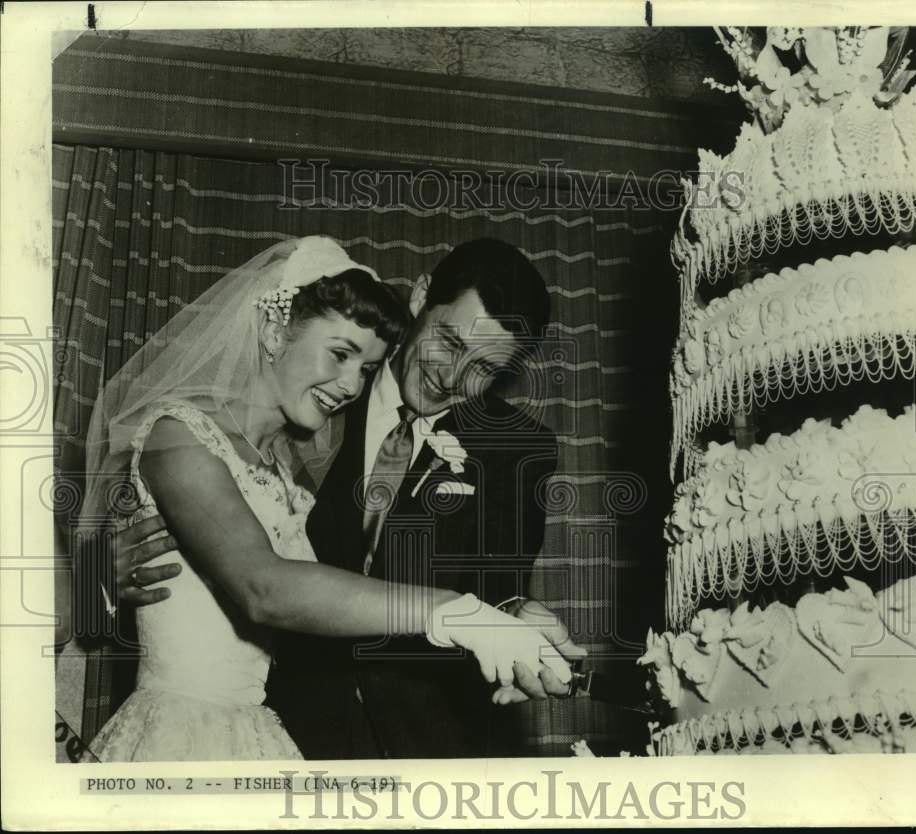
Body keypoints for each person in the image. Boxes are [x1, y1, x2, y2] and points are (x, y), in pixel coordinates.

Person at [81, 236, 578, 762]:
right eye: (450, 344)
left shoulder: (519, 448)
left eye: (484, 369)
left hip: (422, 749)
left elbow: (495, 588)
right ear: (422, 297)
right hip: (285, 728)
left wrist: (516, 617)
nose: (451, 377)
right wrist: (96, 583)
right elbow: (219, 580)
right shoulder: (302, 404)